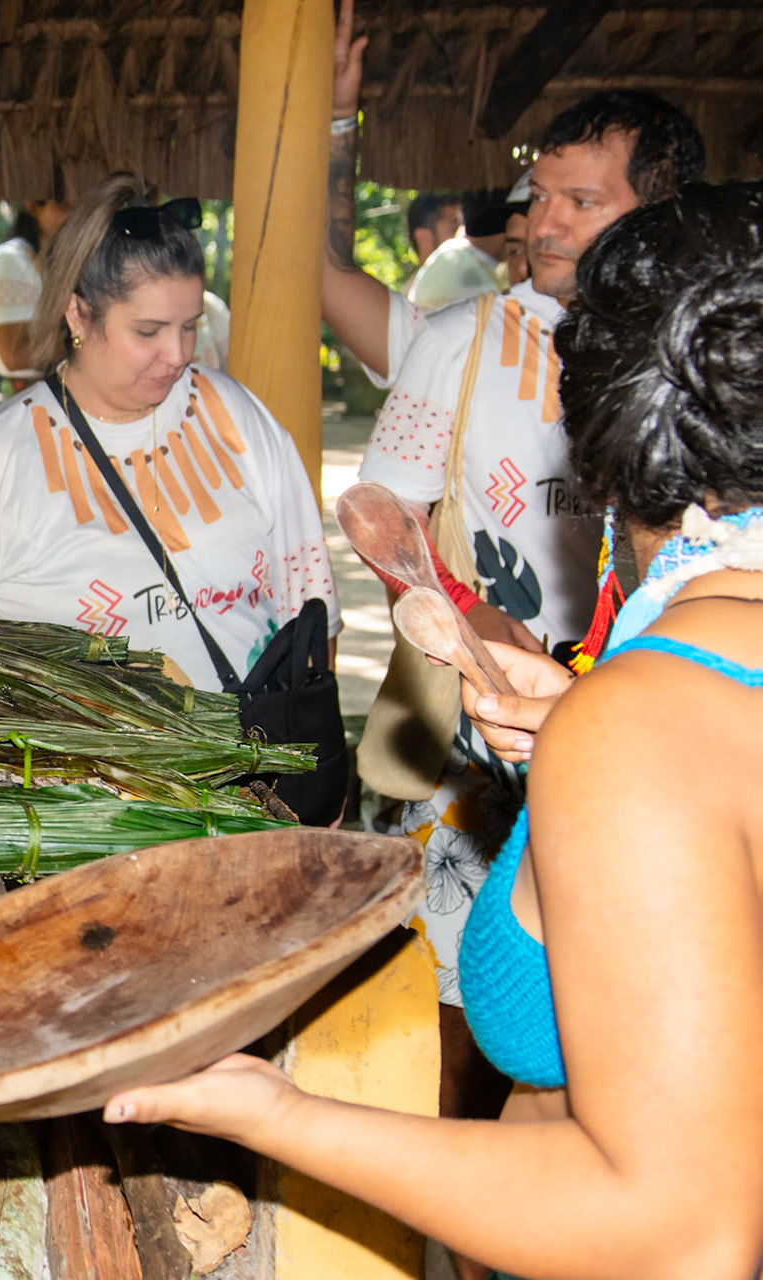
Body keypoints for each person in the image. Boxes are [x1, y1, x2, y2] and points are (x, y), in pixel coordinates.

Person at [104, 180, 763, 1280]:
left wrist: (279, 1114)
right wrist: (586, 733)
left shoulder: (644, 724)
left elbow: (684, 1233)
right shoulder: (681, 699)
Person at [349, 91, 707, 1184]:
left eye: (580, 201)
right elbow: (379, 513)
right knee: (465, 1025)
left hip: (649, 745)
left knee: (636, 1043)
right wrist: (463, 618)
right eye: (537, 195)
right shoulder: (464, 339)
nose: (540, 222)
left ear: (659, 214)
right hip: (480, 740)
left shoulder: (705, 359)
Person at [0, 174, 339, 697]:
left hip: (260, 759)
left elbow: (313, 614)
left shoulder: (238, 418)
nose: (178, 355)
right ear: (78, 313)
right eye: (148, 332)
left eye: (190, 326)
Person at [0, 197, 70, 384]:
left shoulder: (39, 260)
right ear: (32, 206)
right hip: (30, 394)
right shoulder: (10, 260)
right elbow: (15, 357)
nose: (72, 214)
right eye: (63, 205)